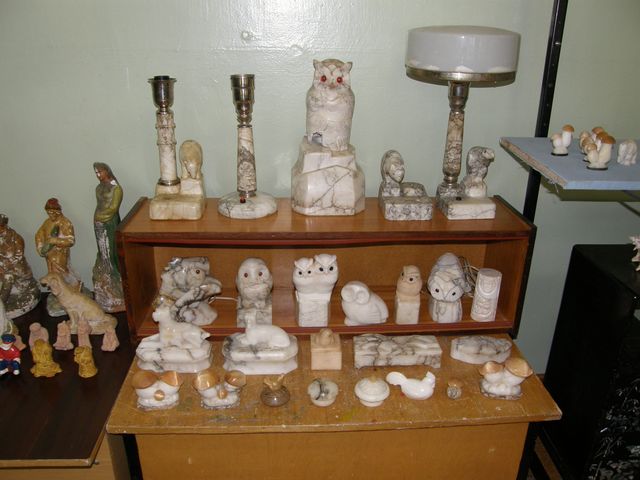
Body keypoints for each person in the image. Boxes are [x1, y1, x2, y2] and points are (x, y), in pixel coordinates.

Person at [92, 163, 125, 312]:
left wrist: (101, 218)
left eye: (100, 172)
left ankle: (114, 274)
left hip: (109, 222)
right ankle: (106, 272)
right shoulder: (99, 188)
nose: (98, 175)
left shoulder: (116, 189)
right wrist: (97, 219)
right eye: (96, 173)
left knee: (110, 248)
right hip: (98, 222)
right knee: (102, 249)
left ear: (107, 171)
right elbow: (99, 205)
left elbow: (112, 208)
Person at [34, 198, 77, 283]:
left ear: (58, 212)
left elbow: (71, 240)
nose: (50, 215)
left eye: (52, 212)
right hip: (49, 255)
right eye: (48, 213)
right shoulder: (47, 222)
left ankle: (65, 288)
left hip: (60, 255)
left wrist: (55, 240)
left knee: (61, 275)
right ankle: (56, 288)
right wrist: (40, 247)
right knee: (52, 275)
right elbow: (39, 235)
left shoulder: (65, 222)